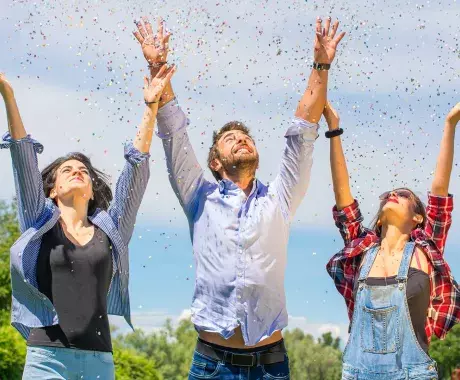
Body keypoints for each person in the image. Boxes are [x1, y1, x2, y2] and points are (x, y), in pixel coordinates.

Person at [132, 16, 345, 379]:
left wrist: (321, 65)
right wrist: (156, 66)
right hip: (213, 364)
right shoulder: (199, 197)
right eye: (230, 139)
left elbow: (303, 129)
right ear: (215, 161)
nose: (241, 139)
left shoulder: (279, 198)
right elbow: (174, 134)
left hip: (271, 365)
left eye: (245, 137)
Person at [0, 65, 175, 380]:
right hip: (46, 360)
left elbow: (134, 175)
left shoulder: (111, 229)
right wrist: (7, 93)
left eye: (83, 170)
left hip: (98, 363)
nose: (77, 171)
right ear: (52, 190)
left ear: (92, 189)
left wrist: (151, 108)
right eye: (67, 170)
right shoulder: (39, 221)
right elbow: (23, 158)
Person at [325, 100, 460, 379]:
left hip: (414, 374)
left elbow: (438, 193)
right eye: (390, 193)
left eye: (405, 195)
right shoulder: (361, 249)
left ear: (418, 218)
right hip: (358, 374)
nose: (393, 194)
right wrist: (333, 128)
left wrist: (451, 122)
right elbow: (343, 195)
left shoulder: (425, 248)